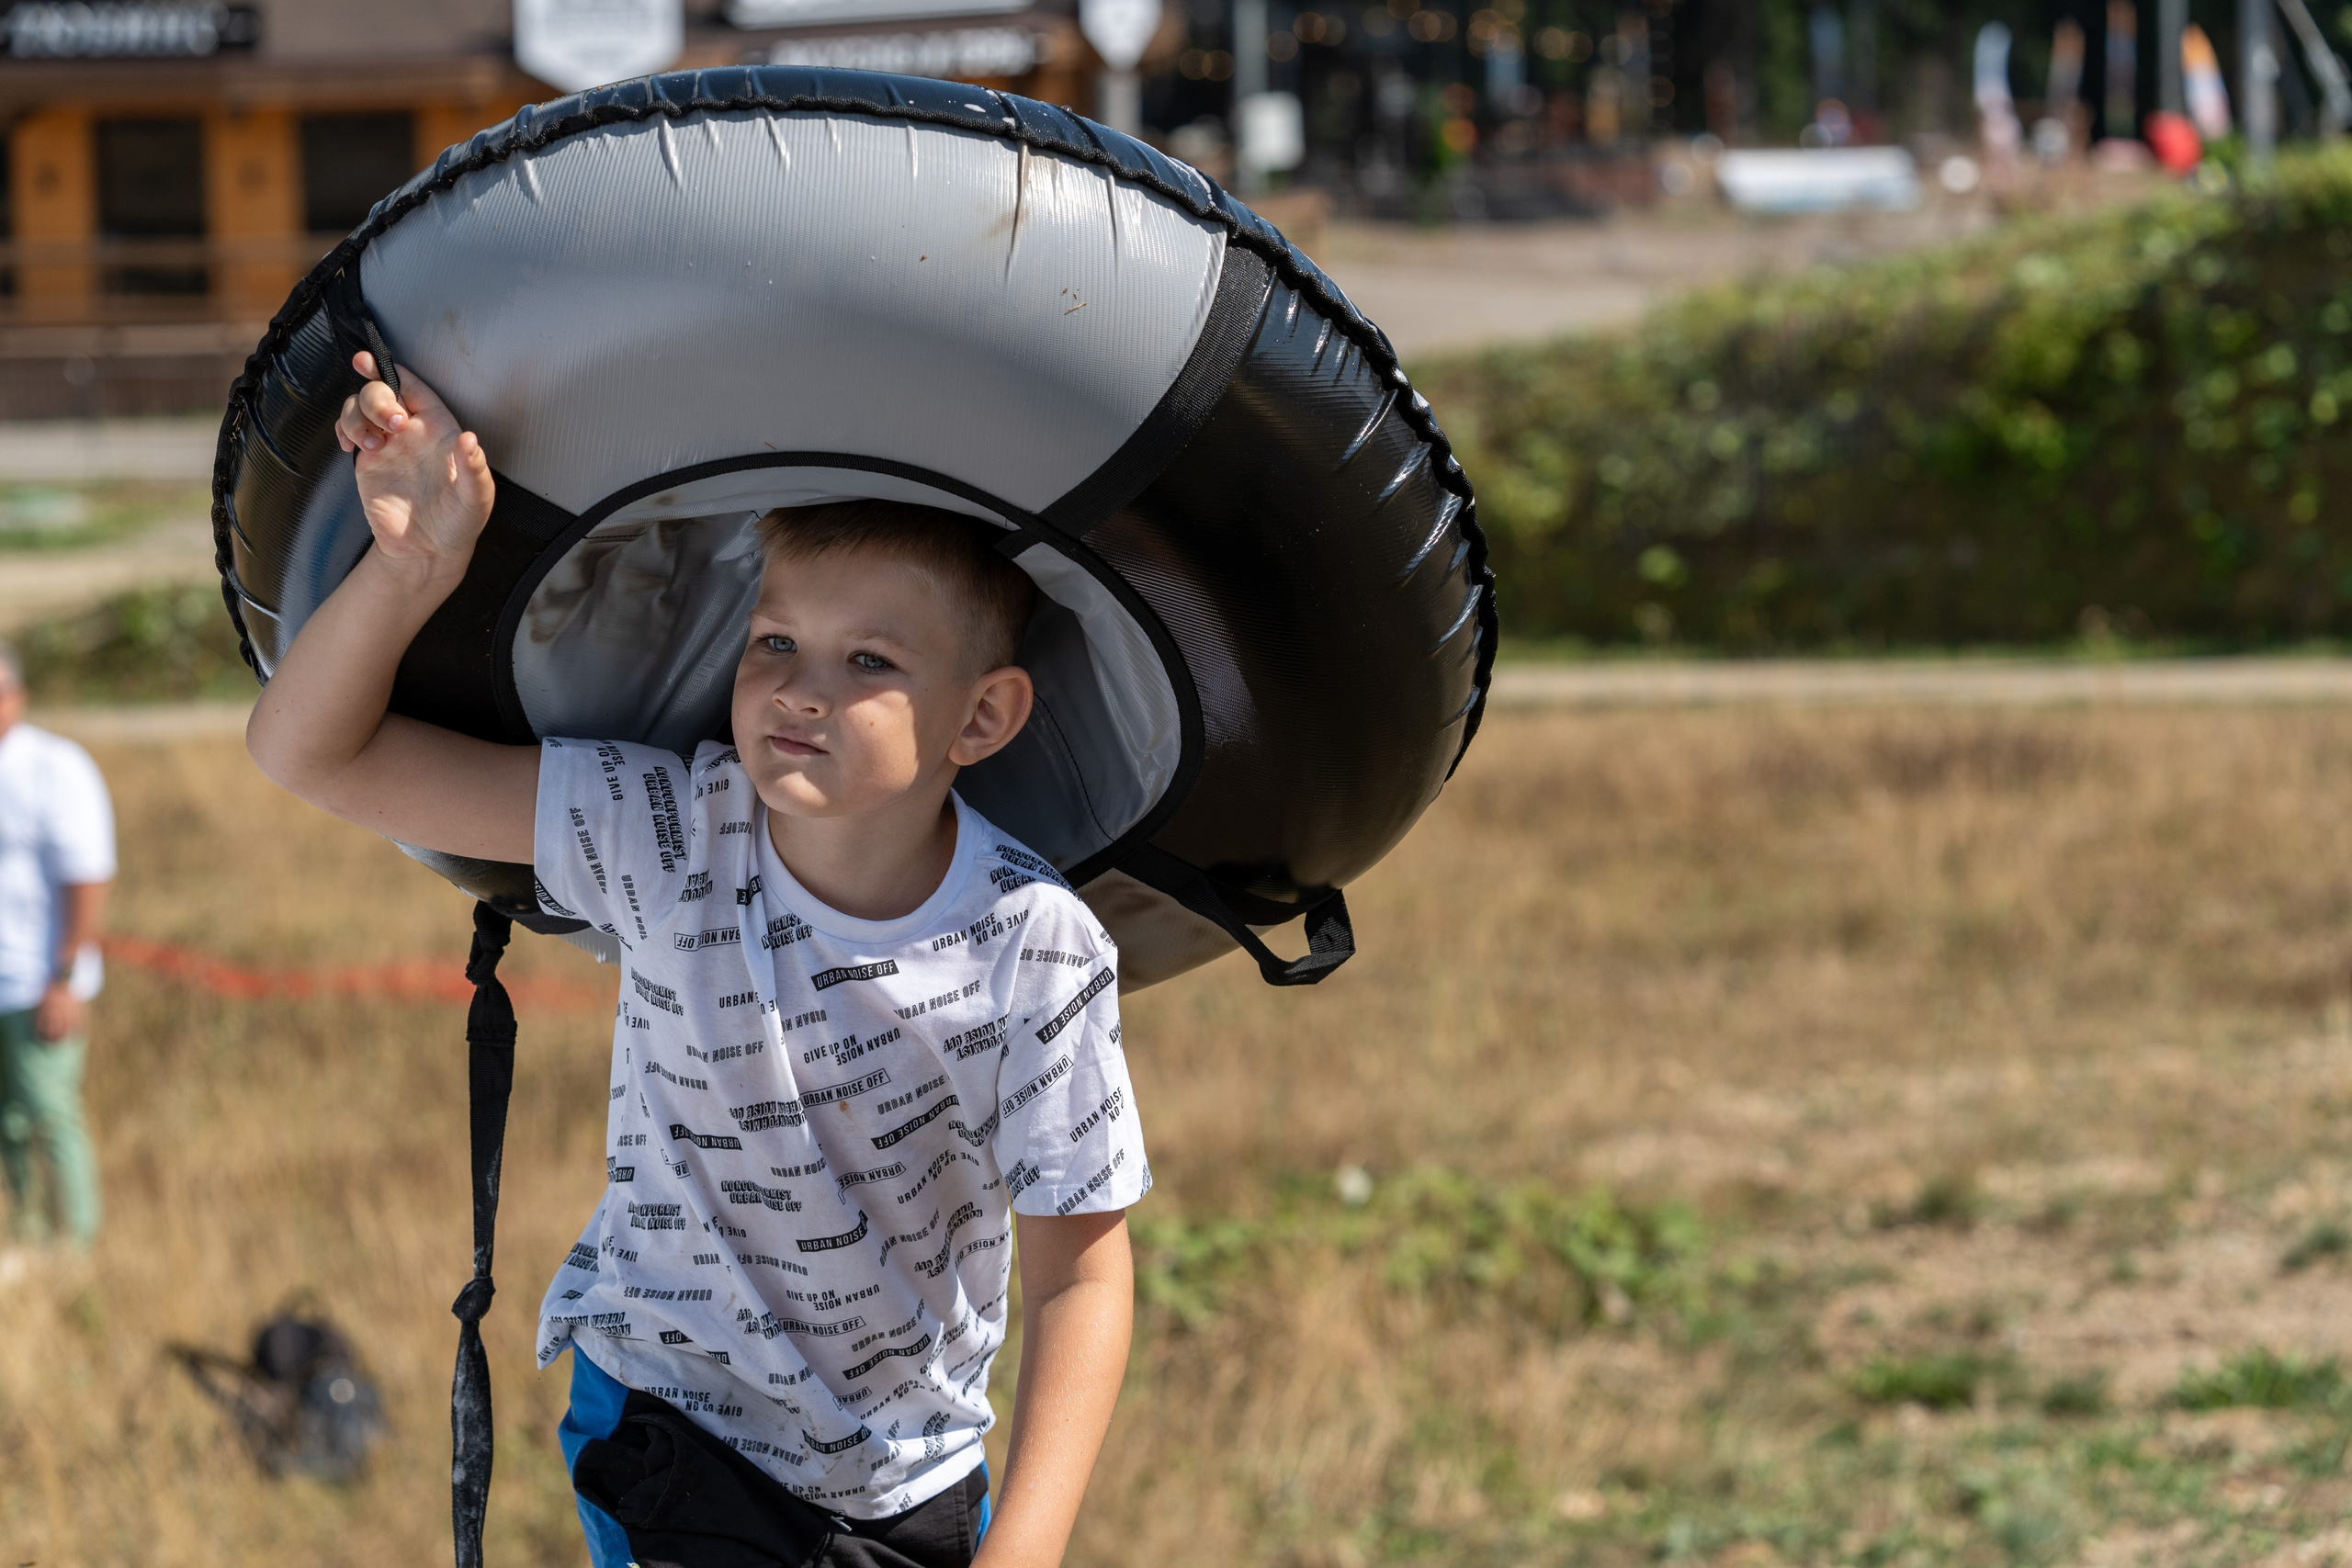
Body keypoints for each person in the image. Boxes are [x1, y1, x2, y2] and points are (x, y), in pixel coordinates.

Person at [246, 355, 1148, 1568]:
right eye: (776, 639)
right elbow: (310, 752)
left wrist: (1022, 1551)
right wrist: (417, 567)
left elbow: (1079, 1279)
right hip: (676, 1425)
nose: (800, 688)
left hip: (911, 1470)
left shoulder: (1037, 950)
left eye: (868, 661)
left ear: (980, 717)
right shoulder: (665, 830)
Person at [0, 637, 114, 1254]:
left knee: (48, 1110)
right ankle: (26, 1232)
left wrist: (64, 976)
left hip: (37, 977)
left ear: (15, 696)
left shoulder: (55, 766)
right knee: (8, 1122)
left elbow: (87, 876)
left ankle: (75, 1243)